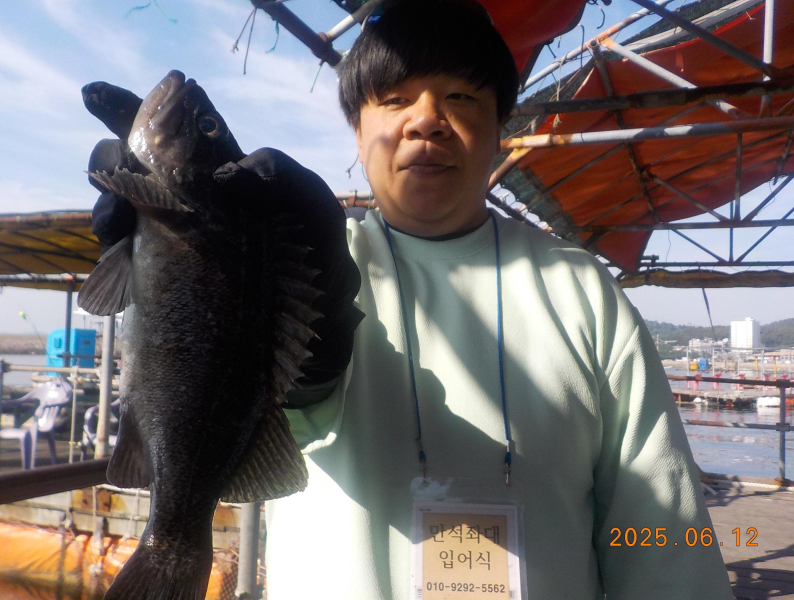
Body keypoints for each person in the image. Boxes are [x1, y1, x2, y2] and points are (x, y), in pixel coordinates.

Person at [88, 0, 734, 598]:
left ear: (499, 127)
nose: (426, 119)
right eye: (395, 99)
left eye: (460, 97)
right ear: (357, 131)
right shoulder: (306, 266)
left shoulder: (584, 291)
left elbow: (663, 529)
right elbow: (289, 417)